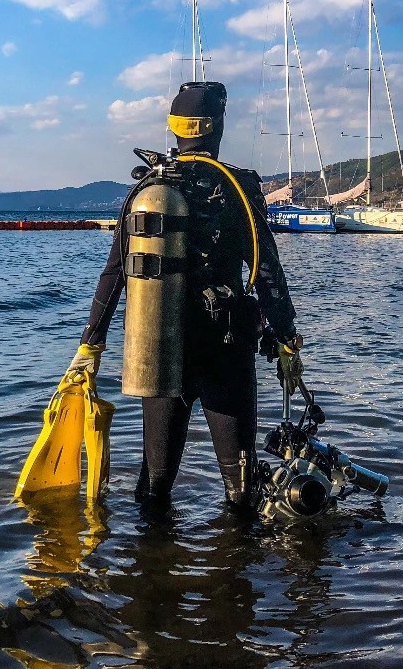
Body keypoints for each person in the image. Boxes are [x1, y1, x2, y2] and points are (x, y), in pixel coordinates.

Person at [65, 81, 304, 511]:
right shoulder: (239, 186)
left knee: (156, 485)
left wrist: (90, 344)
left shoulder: (147, 192)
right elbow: (267, 271)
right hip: (224, 348)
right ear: (217, 129)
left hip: (158, 343)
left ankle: (150, 567)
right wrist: (287, 340)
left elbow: (116, 272)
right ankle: (235, 571)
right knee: (240, 486)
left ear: (174, 129)